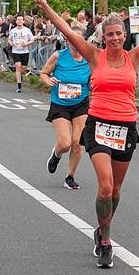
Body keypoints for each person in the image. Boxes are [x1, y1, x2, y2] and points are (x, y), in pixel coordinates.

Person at [34, 0, 139, 268]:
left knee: (115, 191)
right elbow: (67, 31)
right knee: (105, 187)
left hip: (126, 128)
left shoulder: (135, 56)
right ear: (103, 37)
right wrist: (46, 7)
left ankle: (101, 229)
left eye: (118, 33)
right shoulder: (94, 56)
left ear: (125, 35)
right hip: (99, 125)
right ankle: (105, 241)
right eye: (110, 34)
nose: (114, 38)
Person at [41, 24, 91, 190]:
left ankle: (70, 176)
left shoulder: (89, 59)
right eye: (71, 38)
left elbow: (93, 82)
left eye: (78, 39)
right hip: (60, 104)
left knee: (77, 143)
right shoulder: (59, 56)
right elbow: (43, 73)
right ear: (67, 40)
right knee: (65, 144)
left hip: (81, 103)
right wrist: (49, 80)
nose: (75, 42)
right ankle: (56, 154)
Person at [8, 15, 35, 93]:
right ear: (16, 21)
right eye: (18, 20)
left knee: (23, 69)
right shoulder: (13, 31)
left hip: (25, 52)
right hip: (16, 51)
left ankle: (20, 76)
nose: (19, 21)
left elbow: (32, 40)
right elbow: (9, 39)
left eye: (21, 20)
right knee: (18, 66)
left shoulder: (27, 30)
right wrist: (11, 43)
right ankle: (19, 86)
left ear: (23, 21)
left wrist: (26, 44)